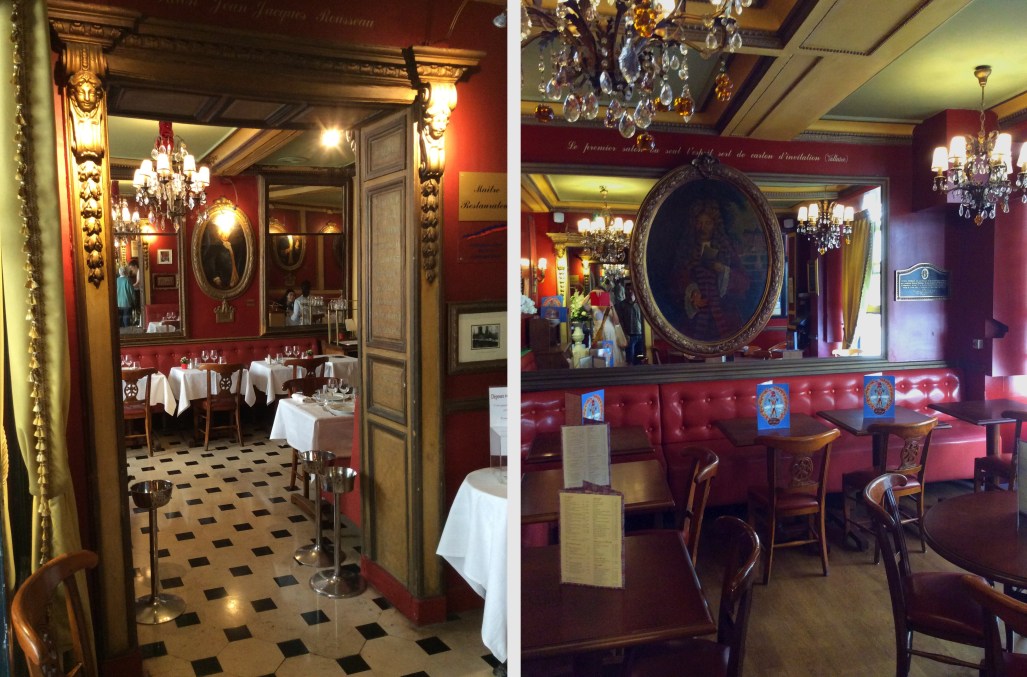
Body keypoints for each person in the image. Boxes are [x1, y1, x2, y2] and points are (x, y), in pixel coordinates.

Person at [675, 198, 750, 341]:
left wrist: (723, 270)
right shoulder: (687, 248)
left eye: (707, 223)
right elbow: (678, 277)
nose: (703, 227)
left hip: (723, 312)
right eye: (699, 223)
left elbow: (744, 281)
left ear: (715, 224)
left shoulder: (726, 249)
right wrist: (693, 293)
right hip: (696, 314)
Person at [624, 284, 646, 364]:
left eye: (631, 289)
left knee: (640, 357)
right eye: (627, 289)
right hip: (630, 336)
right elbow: (621, 321)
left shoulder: (641, 304)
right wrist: (625, 334)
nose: (630, 291)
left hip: (641, 335)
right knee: (630, 358)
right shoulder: (622, 305)